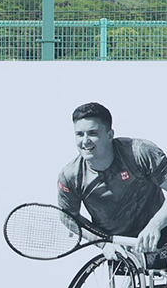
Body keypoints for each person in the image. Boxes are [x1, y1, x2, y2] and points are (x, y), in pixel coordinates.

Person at [57, 102, 167, 255]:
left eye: (93, 133)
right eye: (79, 134)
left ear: (110, 135)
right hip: (119, 248)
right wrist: (104, 243)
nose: (85, 141)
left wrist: (155, 225)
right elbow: (68, 217)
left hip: (161, 233)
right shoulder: (71, 177)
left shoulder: (139, 152)